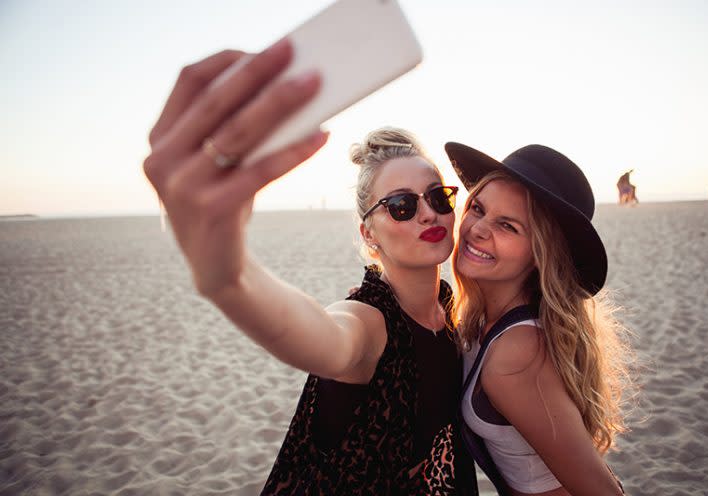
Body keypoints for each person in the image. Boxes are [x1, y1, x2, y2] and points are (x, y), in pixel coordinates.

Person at [143, 42, 476, 494]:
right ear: (369, 234)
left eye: (438, 196)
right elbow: (325, 337)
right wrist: (228, 276)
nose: (428, 214)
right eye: (400, 205)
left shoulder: (447, 305)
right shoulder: (369, 321)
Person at [445, 142, 632, 496]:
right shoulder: (485, 320)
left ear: (540, 253)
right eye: (478, 209)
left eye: (507, 226)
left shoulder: (516, 353)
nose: (478, 229)